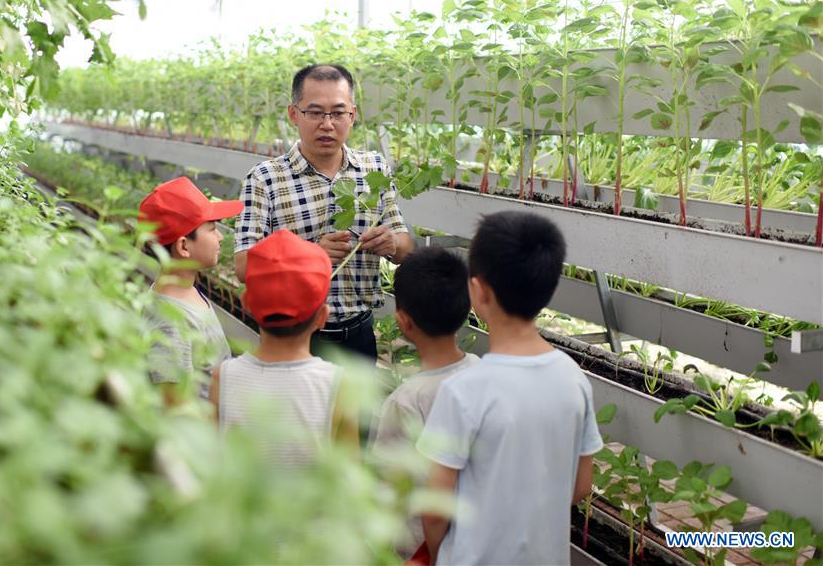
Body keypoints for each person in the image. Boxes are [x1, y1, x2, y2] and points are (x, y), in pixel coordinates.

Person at [417, 211, 603, 565]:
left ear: (478, 291)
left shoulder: (463, 391)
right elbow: (580, 487)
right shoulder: (573, 378)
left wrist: (444, 554)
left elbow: (435, 507)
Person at [234, 64, 414, 362]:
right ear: (294, 114)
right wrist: (309, 254)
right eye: (315, 113)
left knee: (356, 411)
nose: (327, 124)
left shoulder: (374, 170)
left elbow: (406, 249)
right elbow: (242, 266)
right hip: (295, 339)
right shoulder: (265, 179)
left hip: (359, 336)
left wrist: (392, 244)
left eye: (338, 113)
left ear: (352, 115)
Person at [211, 229, 358, 463]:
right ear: (322, 317)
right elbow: (349, 471)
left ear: (247, 304)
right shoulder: (338, 385)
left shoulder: (224, 377)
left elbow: (211, 457)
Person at [370, 246, 480, 559]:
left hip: (423, 547)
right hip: (481, 538)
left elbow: (388, 486)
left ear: (403, 321)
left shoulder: (405, 401)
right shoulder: (483, 374)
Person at [138, 176, 245, 404]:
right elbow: (174, 408)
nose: (220, 236)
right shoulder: (169, 323)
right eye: (212, 229)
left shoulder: (187, 291)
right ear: (184, 246)